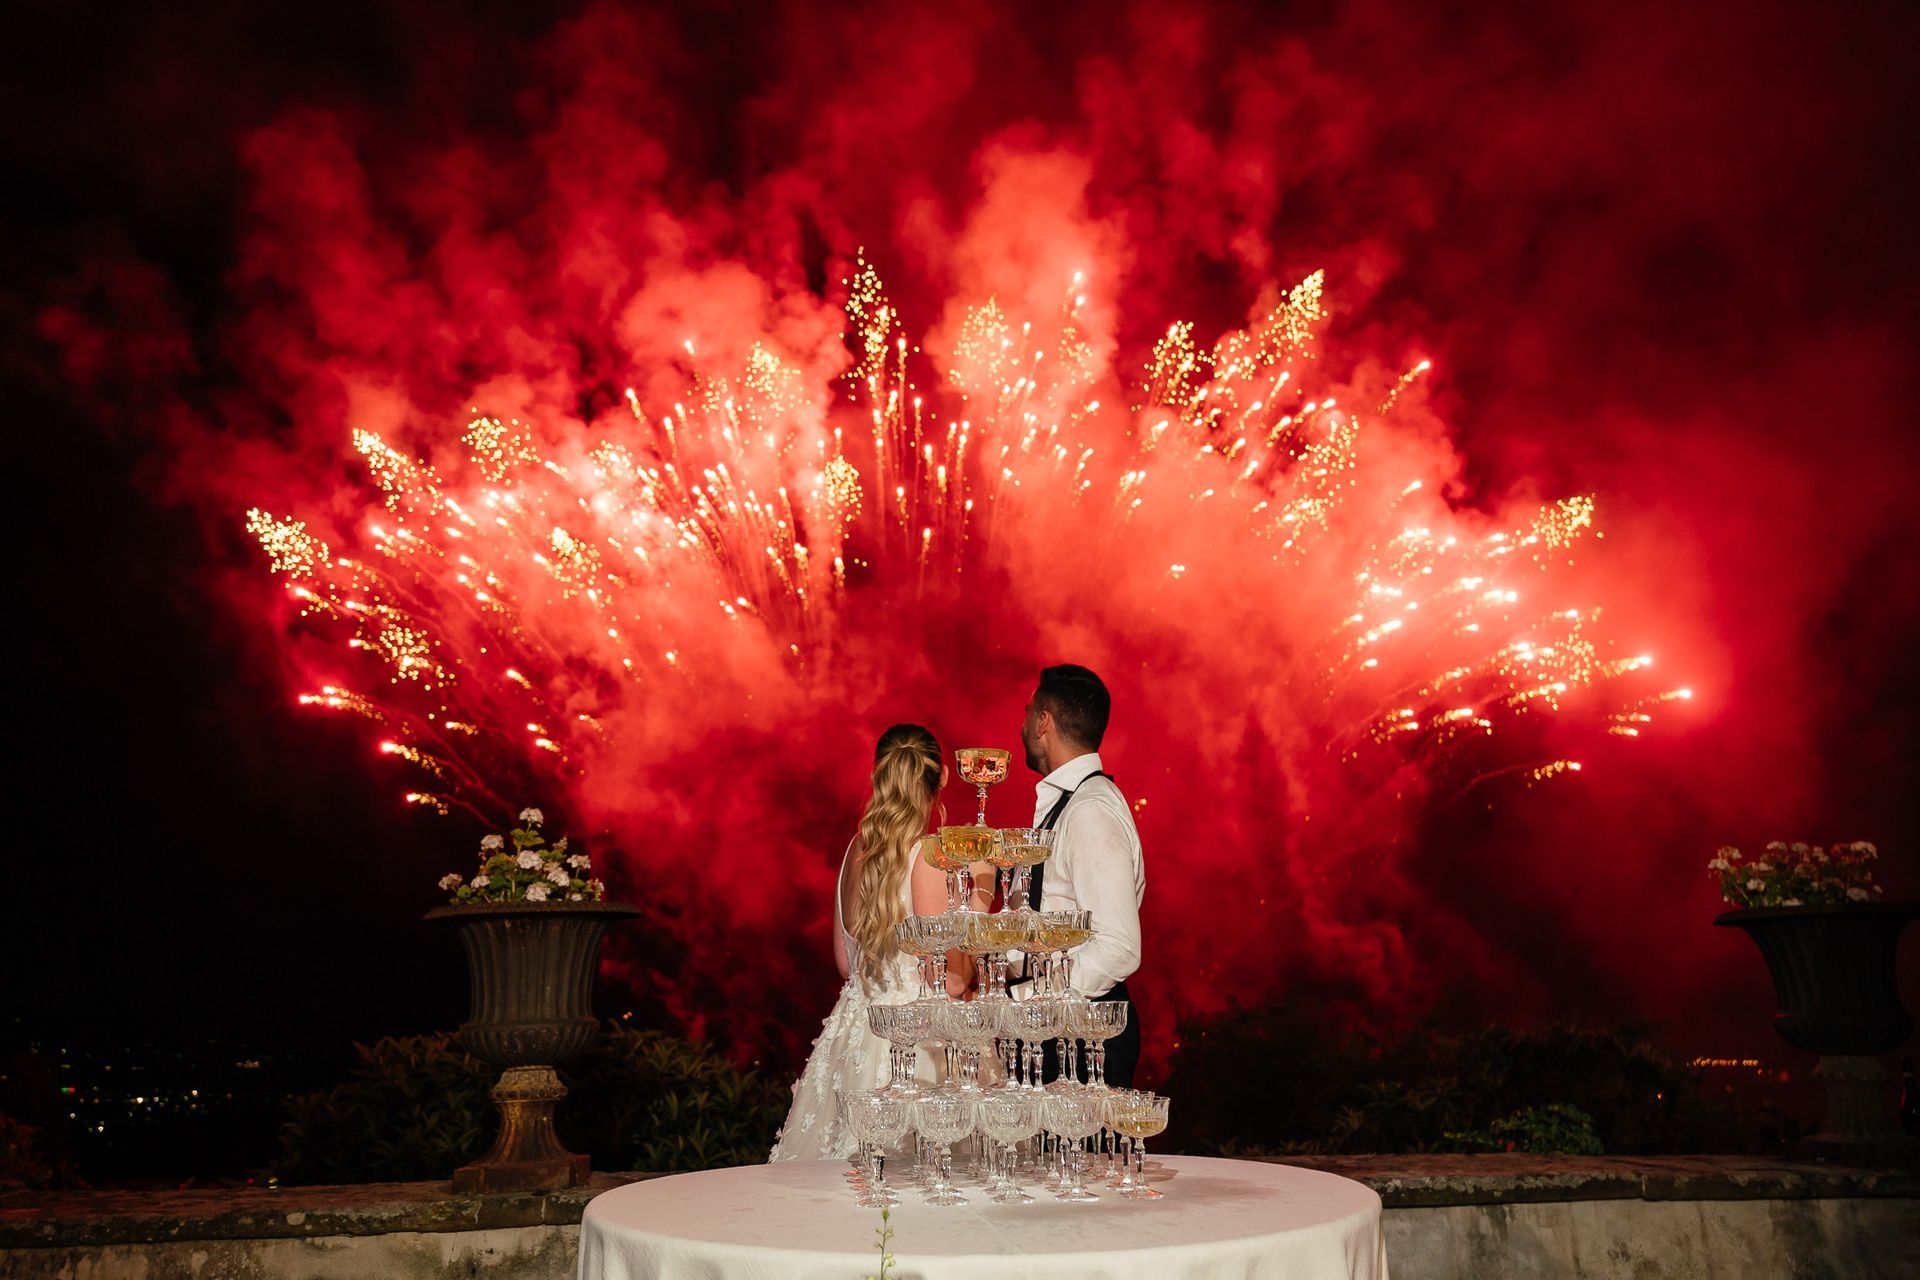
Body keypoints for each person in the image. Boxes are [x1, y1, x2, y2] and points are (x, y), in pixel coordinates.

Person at [768, 723, 989, 1161]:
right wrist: (981, 889)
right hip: (918, 1046)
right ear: (943, 776)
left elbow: (845, 965)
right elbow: (949, 984)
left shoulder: (856, 850)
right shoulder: (927, 856)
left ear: (877, 775)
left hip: (855, 1035)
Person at [1013, 663, 1146, 1087]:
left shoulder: (1090, 810)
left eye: (1027, 712)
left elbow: (1119, 947)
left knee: (1077, 1156)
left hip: (1082, 1037)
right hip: (1055, 1030)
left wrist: (1028, 998)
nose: (1023, 723)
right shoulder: (1068, 804)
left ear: (1043, 722)